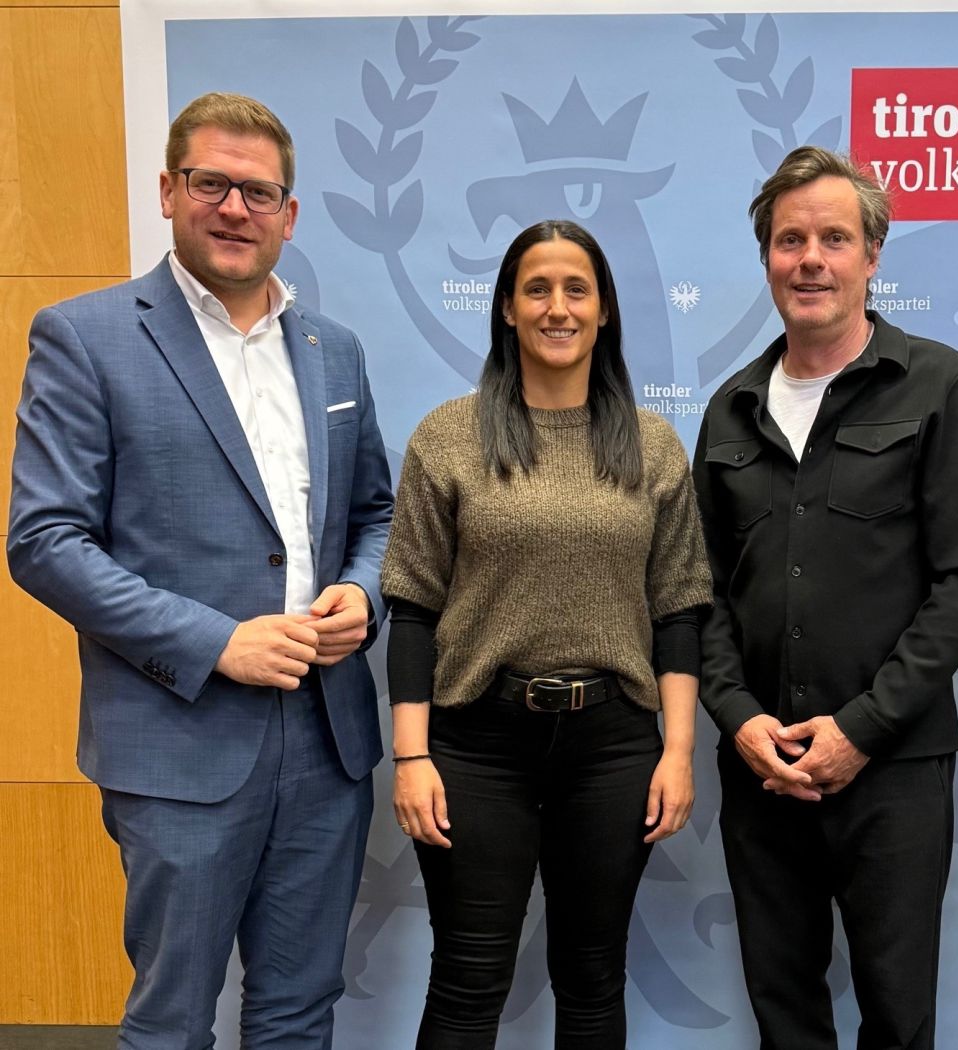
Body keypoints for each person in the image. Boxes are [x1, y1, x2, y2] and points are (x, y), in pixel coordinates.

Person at [7, 92, 394, 1048]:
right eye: (210, 183)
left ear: (289, 214)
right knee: (174, 1021)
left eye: (258, 192)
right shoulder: (86, 337)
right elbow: (45, 540)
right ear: (168, 192)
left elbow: (377, 515)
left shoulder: (333, 350)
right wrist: (217, 642)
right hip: (179, 743)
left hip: (327, 740)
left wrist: (362, 591)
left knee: (299, 1012)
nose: (233, 208)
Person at [692, 146, 958, 1049]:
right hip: (762, 766)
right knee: (783, 1015)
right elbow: (699, 593)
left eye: (834, 238)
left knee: (898, 1019)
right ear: (767, 258)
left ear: (872, 255)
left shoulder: (940, 385)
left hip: (894, 767)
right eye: (790, 240)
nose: (811, 260)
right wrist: (738, 718)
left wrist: (862, 729)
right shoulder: (729, 408)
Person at [382, 219, 712, 1049]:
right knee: (467, 979)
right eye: (537, 289)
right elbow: (413, 609)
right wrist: (412, 759)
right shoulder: (448, 437)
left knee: (593, 977)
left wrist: (677, 752)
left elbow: (678, 612)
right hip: (475, 746)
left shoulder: (653, 446)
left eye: (576, 290)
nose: (557, 307)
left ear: (604, 311)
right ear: (506, 308)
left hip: (613, 748)